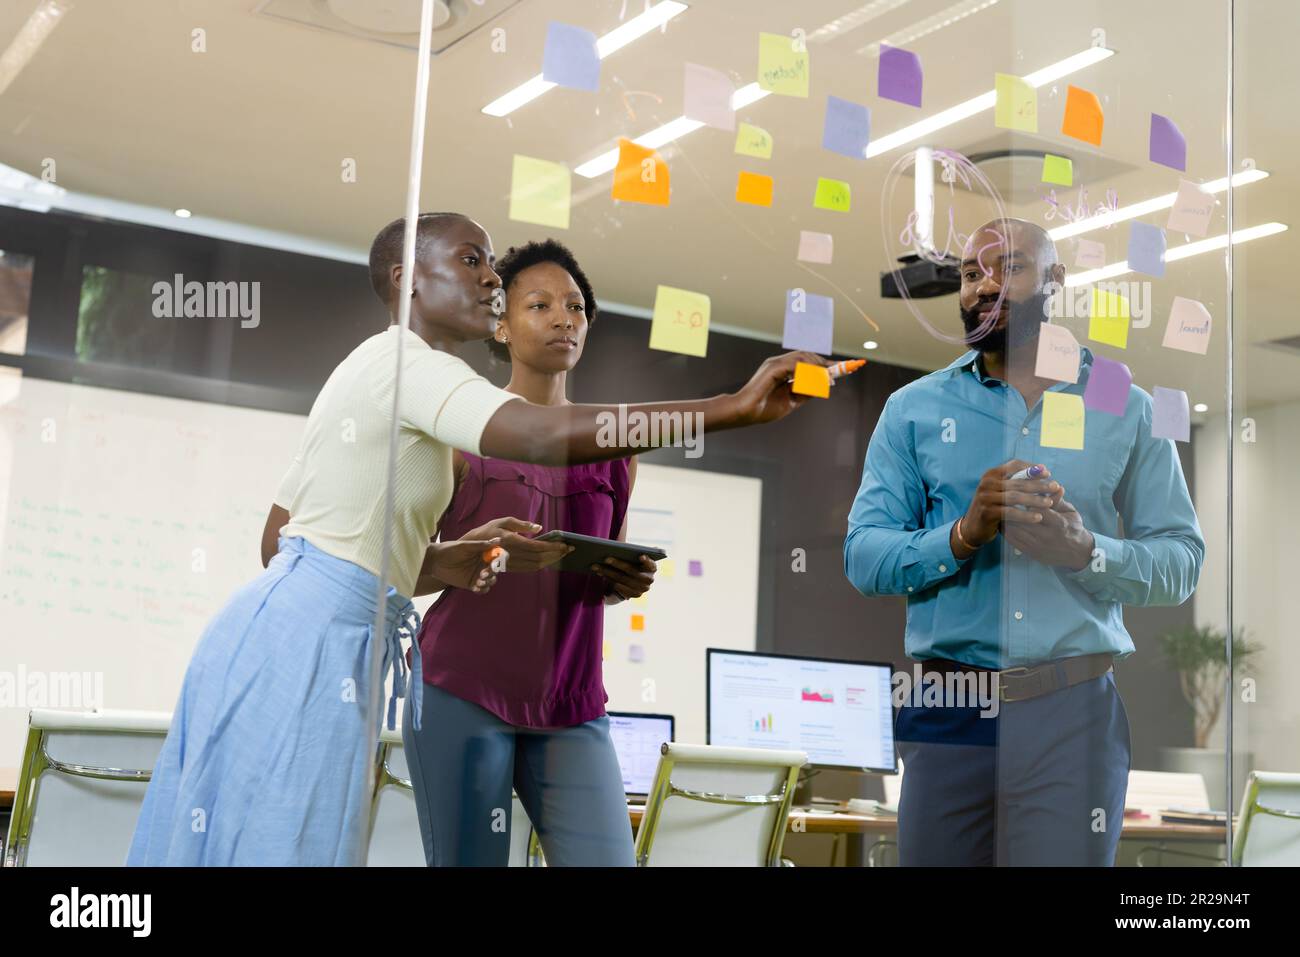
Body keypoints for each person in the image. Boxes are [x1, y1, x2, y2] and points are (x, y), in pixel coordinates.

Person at [127, 212, 824, 866]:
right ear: (408, 278)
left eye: (491, 264)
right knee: (280, 842)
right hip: (314, 638)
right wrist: (729, 408)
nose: (491, 277)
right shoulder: (410, 367)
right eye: (471, 261)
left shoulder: (393, 369)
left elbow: (291, 538)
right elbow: (541, 435)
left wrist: (442, 560)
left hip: (332, 632)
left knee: (276, 840)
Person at [844, 217, 1204, 866]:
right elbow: (864, 556)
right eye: (970, 273)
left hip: (1073, 712)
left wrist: (1086, 550)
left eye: (1007, 268)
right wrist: (961, 534)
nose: (984, 286)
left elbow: (1181, 561)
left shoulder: (1125, 404)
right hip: (950, 707)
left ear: (1055, 282)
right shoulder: (913, 409)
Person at [405, 239, 654, 866]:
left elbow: (601, 557)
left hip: (572, 702)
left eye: (575, 307)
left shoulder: (612, 448)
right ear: (501, 325)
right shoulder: (460, 429)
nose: (563, 318)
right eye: (539, 305)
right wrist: (473, 556)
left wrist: (621, 576)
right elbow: (405, 566)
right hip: (464, 688)